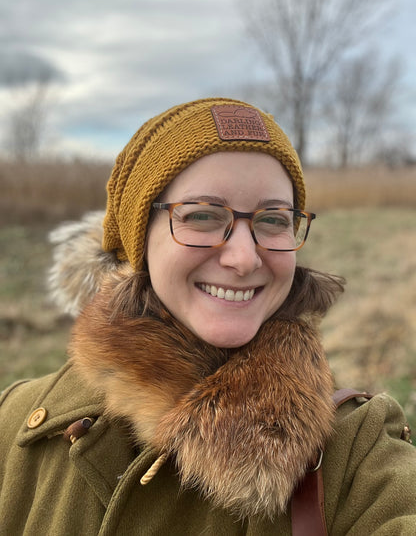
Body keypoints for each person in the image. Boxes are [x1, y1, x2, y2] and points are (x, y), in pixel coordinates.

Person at [0, 97, 415, 535]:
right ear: (139, 241)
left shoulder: (355, 449)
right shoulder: (15, 421)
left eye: (273, 220)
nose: (243, 257)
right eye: (202, 215)